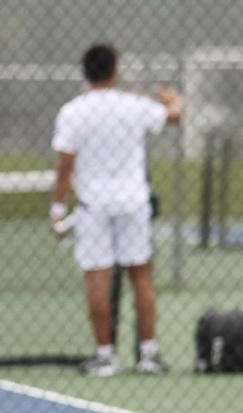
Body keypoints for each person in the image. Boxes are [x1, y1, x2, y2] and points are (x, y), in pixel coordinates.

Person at [51, 43, 183, 376]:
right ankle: (149, 355)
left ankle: (105, 356)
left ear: (84, 73)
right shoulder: (133, 106)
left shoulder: (73, 112)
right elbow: (174, 116)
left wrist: (57, 208)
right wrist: (172, 99)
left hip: (93, 206)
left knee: (97, 277)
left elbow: (65, 164)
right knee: (141, 276)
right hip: (133, 203)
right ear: (115, 71)